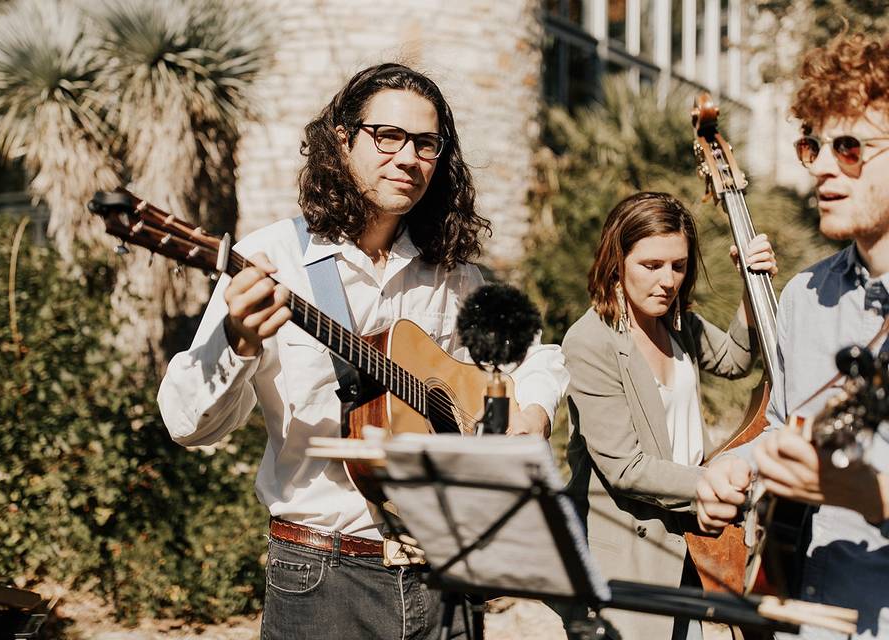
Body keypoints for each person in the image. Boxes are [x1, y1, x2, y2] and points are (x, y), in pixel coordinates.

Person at [157, 63, 569, 639]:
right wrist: (239, 341)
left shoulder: (452, 274)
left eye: (427, 143)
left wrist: (530, 413)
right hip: (322, 577)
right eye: (388, 136)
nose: (407, 158)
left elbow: (537, 359)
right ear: (343, 140)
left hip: (443, 580)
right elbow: (186, 424)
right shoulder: (271, 258)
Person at [695, 33, 889, 640]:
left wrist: (875, 494)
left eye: (851, 146)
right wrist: (734, 465)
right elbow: (783, 426)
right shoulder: (805, 296)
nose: (824, 166)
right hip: (809, 618)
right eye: (814, 145)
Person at [558, 191, 776, 640]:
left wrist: (750, 288)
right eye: (651, 265)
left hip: (690, 540)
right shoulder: (591, 341)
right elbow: (626, 469)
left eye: (678, 266)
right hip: (628, 555)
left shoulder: (678, 324)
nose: (668, 280)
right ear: (617, 260)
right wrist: (719, 484)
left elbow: (736, 359)